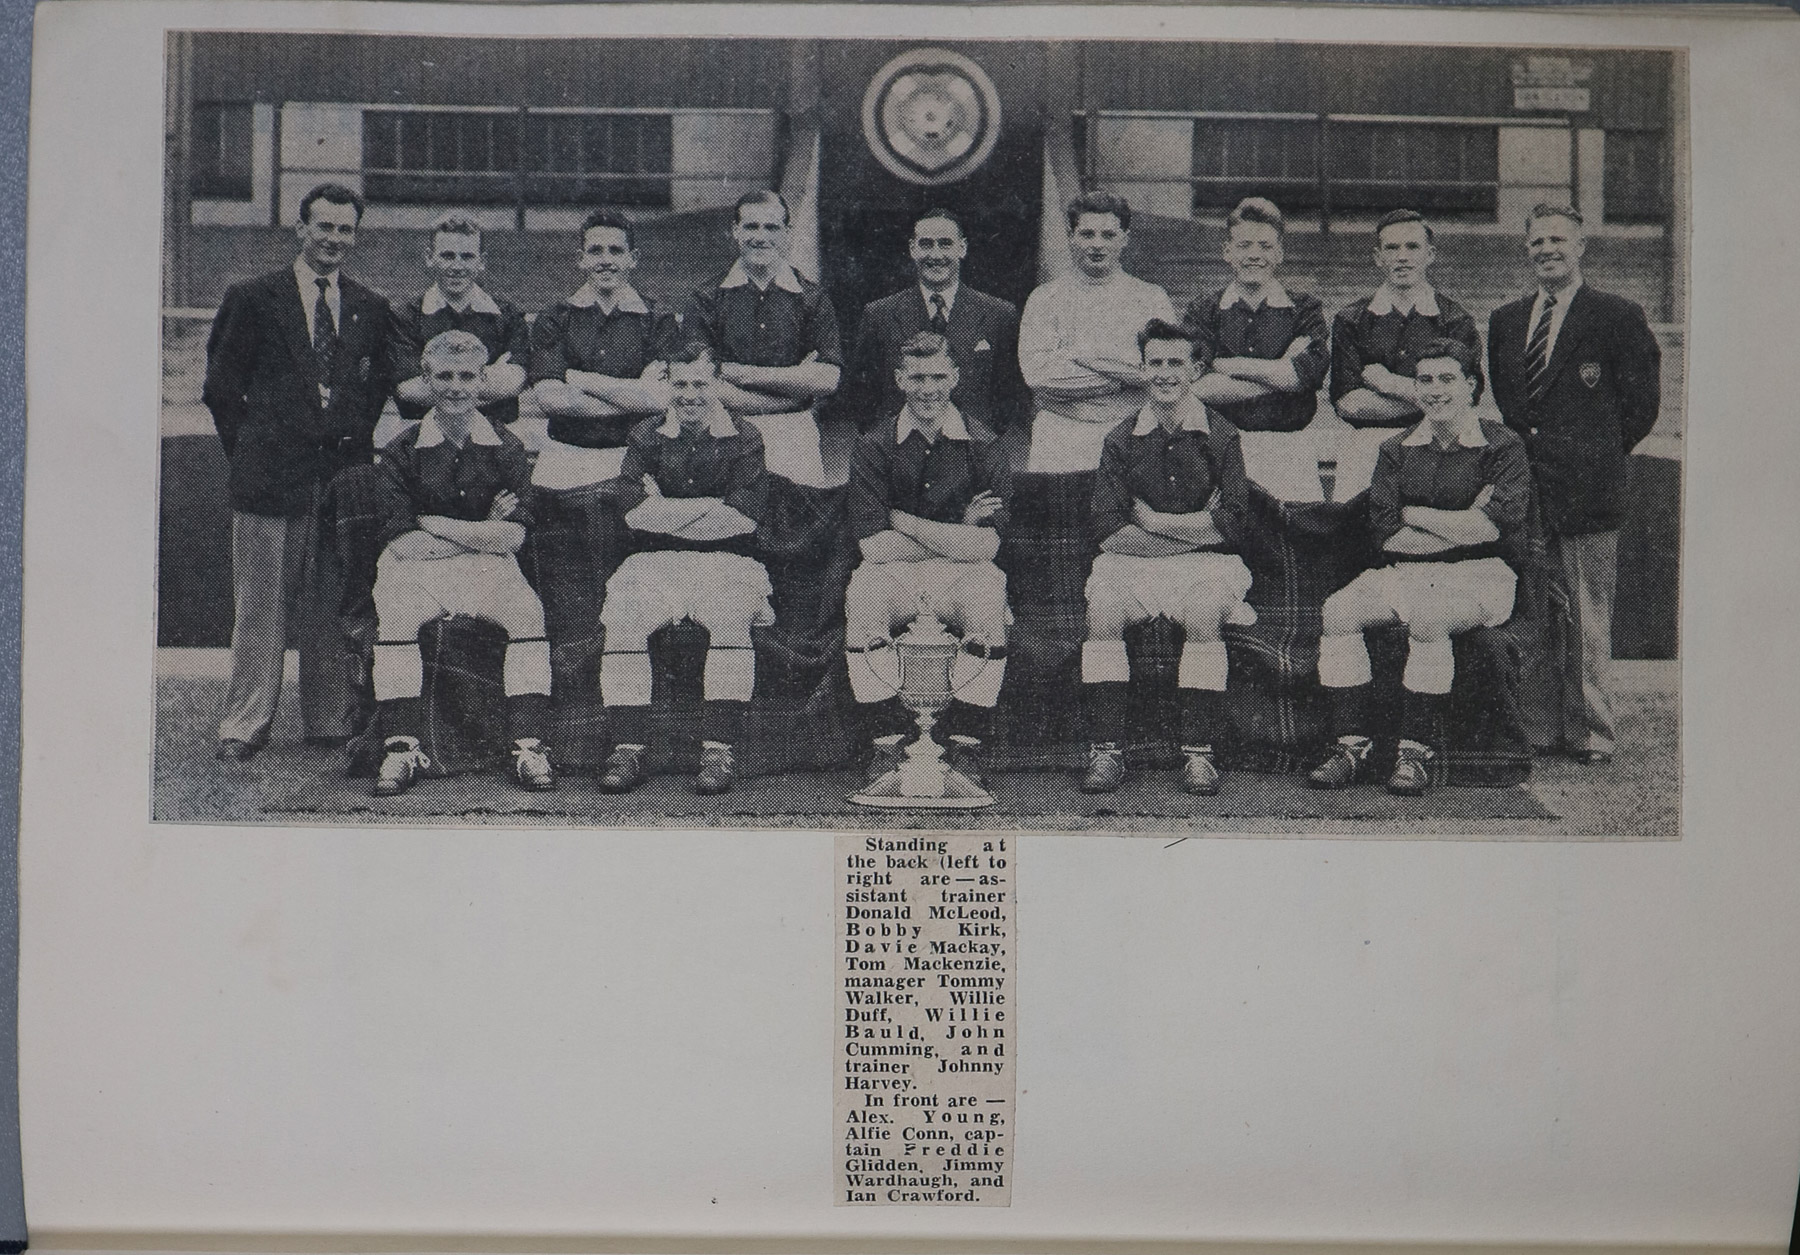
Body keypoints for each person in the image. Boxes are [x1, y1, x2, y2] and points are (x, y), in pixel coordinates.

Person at [203, 182, 394, 761]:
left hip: (339, 479)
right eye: (324, 226)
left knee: (330, 602)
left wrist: (344, 449)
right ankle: (245, 724)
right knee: (261, 606)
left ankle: (330, 719)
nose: (334, 239)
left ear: (355, 236)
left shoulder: (369, 306)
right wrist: (255, 452)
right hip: (269, 478)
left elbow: (373, 391)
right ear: (301, 228)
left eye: (345, 229)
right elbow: (221, 390)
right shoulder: (253, 298)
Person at [1307, 339, 1531, 795]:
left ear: (1471, 386)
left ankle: (1414, 754)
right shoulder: (1395, 448)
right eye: (1425, 380)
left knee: (1429, 619)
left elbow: (1491, 530)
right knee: (1338, 612)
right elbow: (1388, 535)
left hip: (1481, 575)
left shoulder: (1503, 445)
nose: (1435, 390)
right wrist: (1461, 520)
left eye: (1447, 379)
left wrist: (1415, 513)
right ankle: (1351, 746)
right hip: (1407, 571)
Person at [1488, 204, 1661, 766]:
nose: (1547, 250)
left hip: (1590, 487)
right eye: (1537, 241)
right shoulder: (1507, 320)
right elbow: (1511, 404)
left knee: (1586, 612)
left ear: (1581, 246)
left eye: (1558, 240)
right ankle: (1539, 729)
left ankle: (1591, 732)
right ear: (1526, 250)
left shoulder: (1617, 316)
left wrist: (1595, 454)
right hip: (1528, 490)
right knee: (1535, 608)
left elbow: (1641, 407)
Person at [365, 331, 554, 797]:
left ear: (483, 380)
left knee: (528, 614)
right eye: (444, 376)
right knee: (398, 615)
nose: (455, 387)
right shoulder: (401, 449)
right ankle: (401, 747)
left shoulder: (507, 446)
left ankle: (528, 745)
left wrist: (437, 524)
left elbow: (514, 536)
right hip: (416, 569)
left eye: (466, 377)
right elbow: (405, 544)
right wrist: (481, 531)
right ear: (426, 380)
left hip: (487, 567)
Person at [1079, 320, 1254, 796]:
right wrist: (1198, 529)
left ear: (1195, 370)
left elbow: (1234, 524)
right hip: (1134, 563)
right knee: (1103, 611)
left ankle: (1199, 754)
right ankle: (1106, 751)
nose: (1164, 373)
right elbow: (1108, 531)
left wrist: (1155, 522)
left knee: (1203, 612)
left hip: (1206, 568)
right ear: (1141, 369)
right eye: (1154, 363)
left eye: (1176, 362)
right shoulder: (1120, 438)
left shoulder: (1222, 435)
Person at [595, 344, 773, 797]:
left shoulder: (745, 435)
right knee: (624, 621)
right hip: (655, 561)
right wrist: (711, 506)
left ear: (717, 384)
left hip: (728, 561)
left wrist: (664, 508)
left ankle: (718, 752)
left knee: (731, 620)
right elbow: (633, 513)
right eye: (680, 384)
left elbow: (744, 519)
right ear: (666, 384)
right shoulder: (645, 434)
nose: (690, 394)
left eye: (700, 383)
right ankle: (627, 749)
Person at [526, 209, 683, 714]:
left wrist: (582, 379)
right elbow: (549, 398)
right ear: (580, 259)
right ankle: (571, 709)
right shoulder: (554, 318)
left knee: (626, 587)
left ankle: (627, 708)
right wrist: (627, 394)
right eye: (596, 250)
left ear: (633, 258)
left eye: (616, 250)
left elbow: (661, 399)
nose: (606, 260)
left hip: (629, 464)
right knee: (568, 590)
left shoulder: (658, 320)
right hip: (564, 464)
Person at [844, 333, 1012, 783]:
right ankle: (886, 745)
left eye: (938, 377)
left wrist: (904, 522)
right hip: (894, 571)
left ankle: (967, 744)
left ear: (955, 377)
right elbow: (873, 546)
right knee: (863, 599)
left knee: (987, 601)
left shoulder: (984, 443)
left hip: (963, 572)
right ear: (900, 379)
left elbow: (987, 547)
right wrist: (960, 529)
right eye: (917, 378)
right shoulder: (874, 444)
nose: (928, 389)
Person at [683, 190, 842, 486]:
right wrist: (791, 391)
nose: (760, 237)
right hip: (725, 429)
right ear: (735, 230)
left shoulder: (812, 298)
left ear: (787, 232)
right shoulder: (706, 298)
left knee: (797, 514)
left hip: (795, 437)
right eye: (751, 227)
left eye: (771, 227)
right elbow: (702, 382)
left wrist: (736, 372)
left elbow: (827, 379)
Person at [1019, 191, 1177, 472]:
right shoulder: (1044, 298)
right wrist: (1123, 377)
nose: (1097, 245)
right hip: (1060, 434)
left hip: (1132, 432)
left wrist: (1077, 355)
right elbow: (1038, 376)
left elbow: (1162, 371)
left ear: (1125, 238)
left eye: (1108, 235)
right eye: (1087, 234)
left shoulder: (1152, 298)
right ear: (1071, 237)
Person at [846, 208, 1025, 435]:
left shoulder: (999, 314)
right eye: (926, 244)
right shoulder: (879, 315)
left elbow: (1010, 396)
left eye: (945, 244)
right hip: (902, 450)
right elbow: (861, 397)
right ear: (913, 249)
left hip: (972, 449)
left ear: (962, 248)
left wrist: (984, 441)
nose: (936, 255)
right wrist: (888, 444)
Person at [1185, 197, 1329, 433]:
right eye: (1244, 245)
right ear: (1227, 251)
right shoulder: (1202, 310)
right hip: (1218, 441)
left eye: (1265, 246)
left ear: (1279, 253)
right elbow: (1198, 386)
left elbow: (1303, 378)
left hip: (1289, 441)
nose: (1254, 255)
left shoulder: (1305, 309)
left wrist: (1231, 366)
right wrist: (1279, 372)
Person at [1329, 209, 1484, 428]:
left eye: (1412, 247)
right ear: (1378, 257)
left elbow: (1466, 396)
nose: (1402, 257)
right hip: (1372, 438)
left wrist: (1388, 383)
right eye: (1392, 248)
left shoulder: (1456, 319)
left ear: (1430, 254)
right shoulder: (1351, 319)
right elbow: (1348, 403)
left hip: (1438, 438)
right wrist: (1434, 399)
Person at [389, 212, 530, 431]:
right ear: (430, 257)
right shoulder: (405, 317)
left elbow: (514, 382)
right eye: (447, 256)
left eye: (467, 256)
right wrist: (488, 377)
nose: (457, 266)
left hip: (494, 435)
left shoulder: (508, 316)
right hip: (424, 435)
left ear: (481, 261)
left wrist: (437, 379)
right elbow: (409, 389)